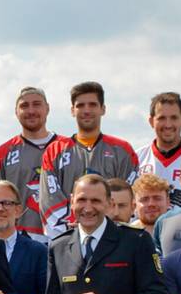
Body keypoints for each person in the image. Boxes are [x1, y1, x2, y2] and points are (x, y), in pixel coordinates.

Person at [38, 81, 140, 236]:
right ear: (72, 110)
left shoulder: (123, 150)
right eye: (80, 106)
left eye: (92, 105)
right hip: (69, 237)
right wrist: (76, 225)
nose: (86, 110)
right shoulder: (55, 151)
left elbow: (128, 196)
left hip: (113, 238)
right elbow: (48, 199)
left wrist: (103, 226)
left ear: (103, 109)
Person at [0, 86, 58, 235]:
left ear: (47, 108)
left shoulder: (69, 148)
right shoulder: (2, 154)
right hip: (19, 238)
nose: (31, 111)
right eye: (24, 106)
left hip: (64, 237)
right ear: (16, 112)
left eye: (37, 104)